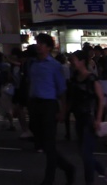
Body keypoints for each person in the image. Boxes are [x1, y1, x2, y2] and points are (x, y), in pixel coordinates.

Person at [27, 33, 76, 185]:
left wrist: (62, 111)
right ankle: (67, 167)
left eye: (42, 43)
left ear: (48, 47)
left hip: (49, 105)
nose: (38, 45)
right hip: (35, 104)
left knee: (49, 144)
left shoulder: (54, 65)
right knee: (41, 142)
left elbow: (62, 90)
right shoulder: (33, 64)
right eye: (37, 43)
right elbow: (32, 85)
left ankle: (49, 179)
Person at [66, 50, 107, 185]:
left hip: (89, 119)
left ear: (82, 61)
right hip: (78, 118)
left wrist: (98, 119)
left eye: (73, 60)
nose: (71, 63)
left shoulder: (92, 78)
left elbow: (100, 99)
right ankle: (104, 172)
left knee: (86, 154)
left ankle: (90, 181)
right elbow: (71, 98)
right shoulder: (74, 78)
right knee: (84, 153)